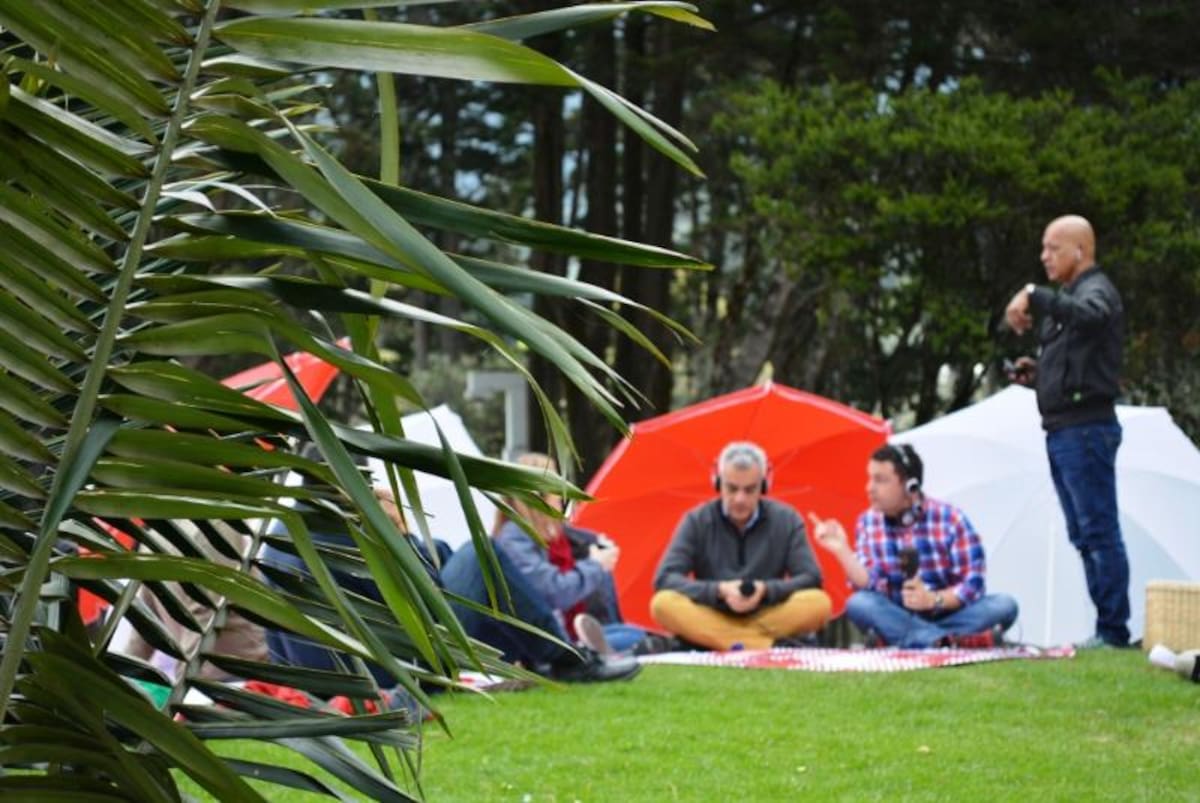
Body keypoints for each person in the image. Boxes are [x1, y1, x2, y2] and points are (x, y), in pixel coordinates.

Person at [1004, 214, 1131, 649]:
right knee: (1083, 533)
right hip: (1062, 429)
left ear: (1080, 250)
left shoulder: (1097, 291)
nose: (1045, 256)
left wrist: (1033, 294)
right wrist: (1038, 374)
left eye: (1053, 248)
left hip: (1087, 429)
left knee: (1098, 531)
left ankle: (1113, 630)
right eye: (1043, 248)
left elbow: (1092, 318)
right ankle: (1107, 625)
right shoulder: (1069, 298)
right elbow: (1079, 361)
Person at [810, 444, 1018, 648]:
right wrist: (842, 550)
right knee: (859, 603)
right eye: (870, 478)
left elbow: (972, 584)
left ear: (911, 486)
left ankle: (918, 640)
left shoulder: (950, 519)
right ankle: (949, 641)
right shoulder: (868, 522)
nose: (869, 488)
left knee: (1004, 605)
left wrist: (933, 600)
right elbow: (869, 584)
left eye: (880, 480)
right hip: (898, 615)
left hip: (949, 612)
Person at [650, 441, 832, 650]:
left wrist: (765, 590)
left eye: (749, 490)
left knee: (819, 603)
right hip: (713, 613)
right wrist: (719, 591)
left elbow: (811, 578)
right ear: (718, 483)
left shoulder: (787, 519)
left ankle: (731, 643)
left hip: (768, 615)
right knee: (662, 604)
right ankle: (760, 645)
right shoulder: (696, 520)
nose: (739, 499)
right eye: (732, 488)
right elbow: (665, 578)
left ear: (764, 486)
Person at [489, 452, 652, 655]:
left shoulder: (557, 534)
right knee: (636, 637)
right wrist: (596, 565)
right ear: (539, 494)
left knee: (634, 634)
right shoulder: (514, 537)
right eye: (556, 483)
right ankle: (587, 651)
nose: (562, 492)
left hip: (576, 628)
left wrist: (600, 549)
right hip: (549, 639)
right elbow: (553, 591)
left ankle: (596, 648)